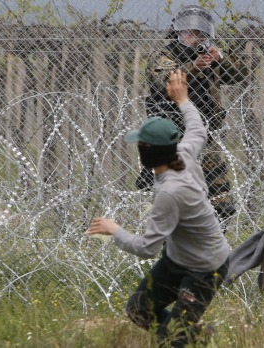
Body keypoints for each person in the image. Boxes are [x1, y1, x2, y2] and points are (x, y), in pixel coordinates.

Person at [86, 69, 230, 348]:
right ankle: (198, 338)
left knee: (171, 340)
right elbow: (198, 129)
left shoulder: (171, 193)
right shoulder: (183, 152)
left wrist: (113, 229)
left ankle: (182, 339)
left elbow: (147, 247)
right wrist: (183, 99)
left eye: (140, 144)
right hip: (177, 259)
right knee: (139, 310)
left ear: (148, 151)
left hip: (204, 269)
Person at [137, 4, 248, 223]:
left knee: (221, 199)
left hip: (205, 132)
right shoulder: (164, 55)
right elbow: (165, 82)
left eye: (199, 33)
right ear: (179, 32)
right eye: (189, 32)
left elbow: (240, 74)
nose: (194, 37)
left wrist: (221, 58)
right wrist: (194, 68)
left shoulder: (209, 58)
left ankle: (216, 239)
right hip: (173, 134)